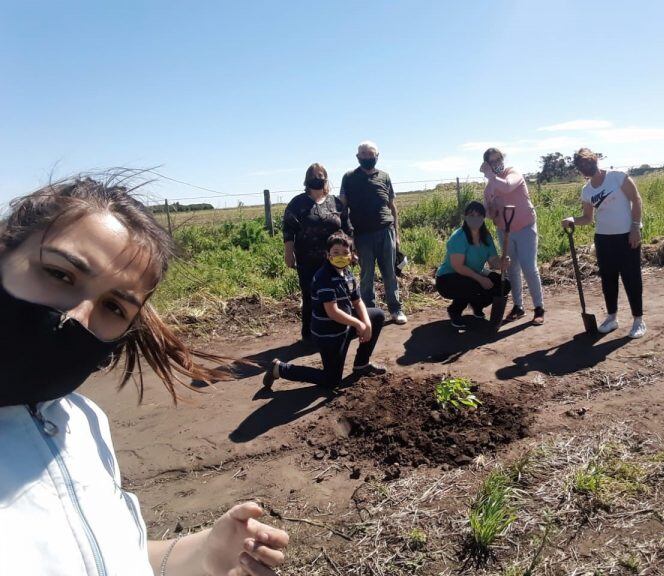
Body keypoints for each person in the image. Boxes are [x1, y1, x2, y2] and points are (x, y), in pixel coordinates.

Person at [0, 176, 289, 576]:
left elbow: (121, 558)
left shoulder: (83, 421)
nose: (77, 318)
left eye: (114, 307)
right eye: (60, 274)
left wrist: (206, 552)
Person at [263, 232, 386, 389]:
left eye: (345, 253)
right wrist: (358, 324)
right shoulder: (324, 278)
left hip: (345, 326)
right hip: (329, 335)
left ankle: (361, 364)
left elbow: (357, 300)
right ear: (328, 255)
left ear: (351, 255)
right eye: (336, 253)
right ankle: (279, 369)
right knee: (332, 380)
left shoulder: (347, 273)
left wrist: (366, 323)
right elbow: (332, 312)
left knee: (377, 316)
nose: (340, 256)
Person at [561, 147, 647, 338]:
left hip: (627, 235)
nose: (585, 167)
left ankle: (638, 320)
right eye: (581, 165)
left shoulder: (617, 177)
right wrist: (573, 220)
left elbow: (636, 199)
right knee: (608, 279)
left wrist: (635, 227)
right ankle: (612, 317)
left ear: (595, 160)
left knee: (631, 278)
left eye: (587, 162)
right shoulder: (587, 190)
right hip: (603, 239)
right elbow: (587, 218)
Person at [283, 163, 353, 344]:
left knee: (338, 292)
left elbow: (346, 228)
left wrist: (352, 251)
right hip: (308, 259)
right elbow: (288, 230)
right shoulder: (297, 203)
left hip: (335, 258)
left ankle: (339, 328)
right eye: (314, 175)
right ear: (307, 180)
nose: (317, 178)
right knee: (310, 295)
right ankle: (309, 333)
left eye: (321, 175)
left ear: (326, 178)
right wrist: (288, 254)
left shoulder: (335, 202)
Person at [339, 140, 407, 325]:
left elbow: (392, 207)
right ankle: (370, 311)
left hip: (386, 231)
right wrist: (347, 237)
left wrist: (397, 235)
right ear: (357, 157)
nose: (367, 158)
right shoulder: (349, 177)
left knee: (390, 273)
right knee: (366, 275)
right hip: (362, 235)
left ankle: (395, 309)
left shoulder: (384, 176)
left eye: (371, 155)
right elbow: (342, 207)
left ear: (377, 156)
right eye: (364, 154)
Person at [481, 147, 546, 325]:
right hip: (505, 230)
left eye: (498, 159)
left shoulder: (513, 172)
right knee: (511, 268)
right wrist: (491, 210)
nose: (496, 164)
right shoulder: (489, 188)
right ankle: (518, 306)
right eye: (492, 162)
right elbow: (487, 211)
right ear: (487, 163)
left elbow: (508, 186)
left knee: (528, 266)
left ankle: (539, 307)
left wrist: (490, 176)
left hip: (525, 226)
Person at [435, 201, 510, 329]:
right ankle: (455, 311)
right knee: (471, 284)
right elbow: (458, 266)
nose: (475, 218)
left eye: (478, 215)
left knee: (504, 284)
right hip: (447, 278)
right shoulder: (458, 237)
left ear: (483, 218)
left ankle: (477, 305)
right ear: (465, 217)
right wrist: (481, 279)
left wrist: (502, 263)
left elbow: (493, 262)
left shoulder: (486, 237)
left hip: (474, 273)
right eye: (471, 215)